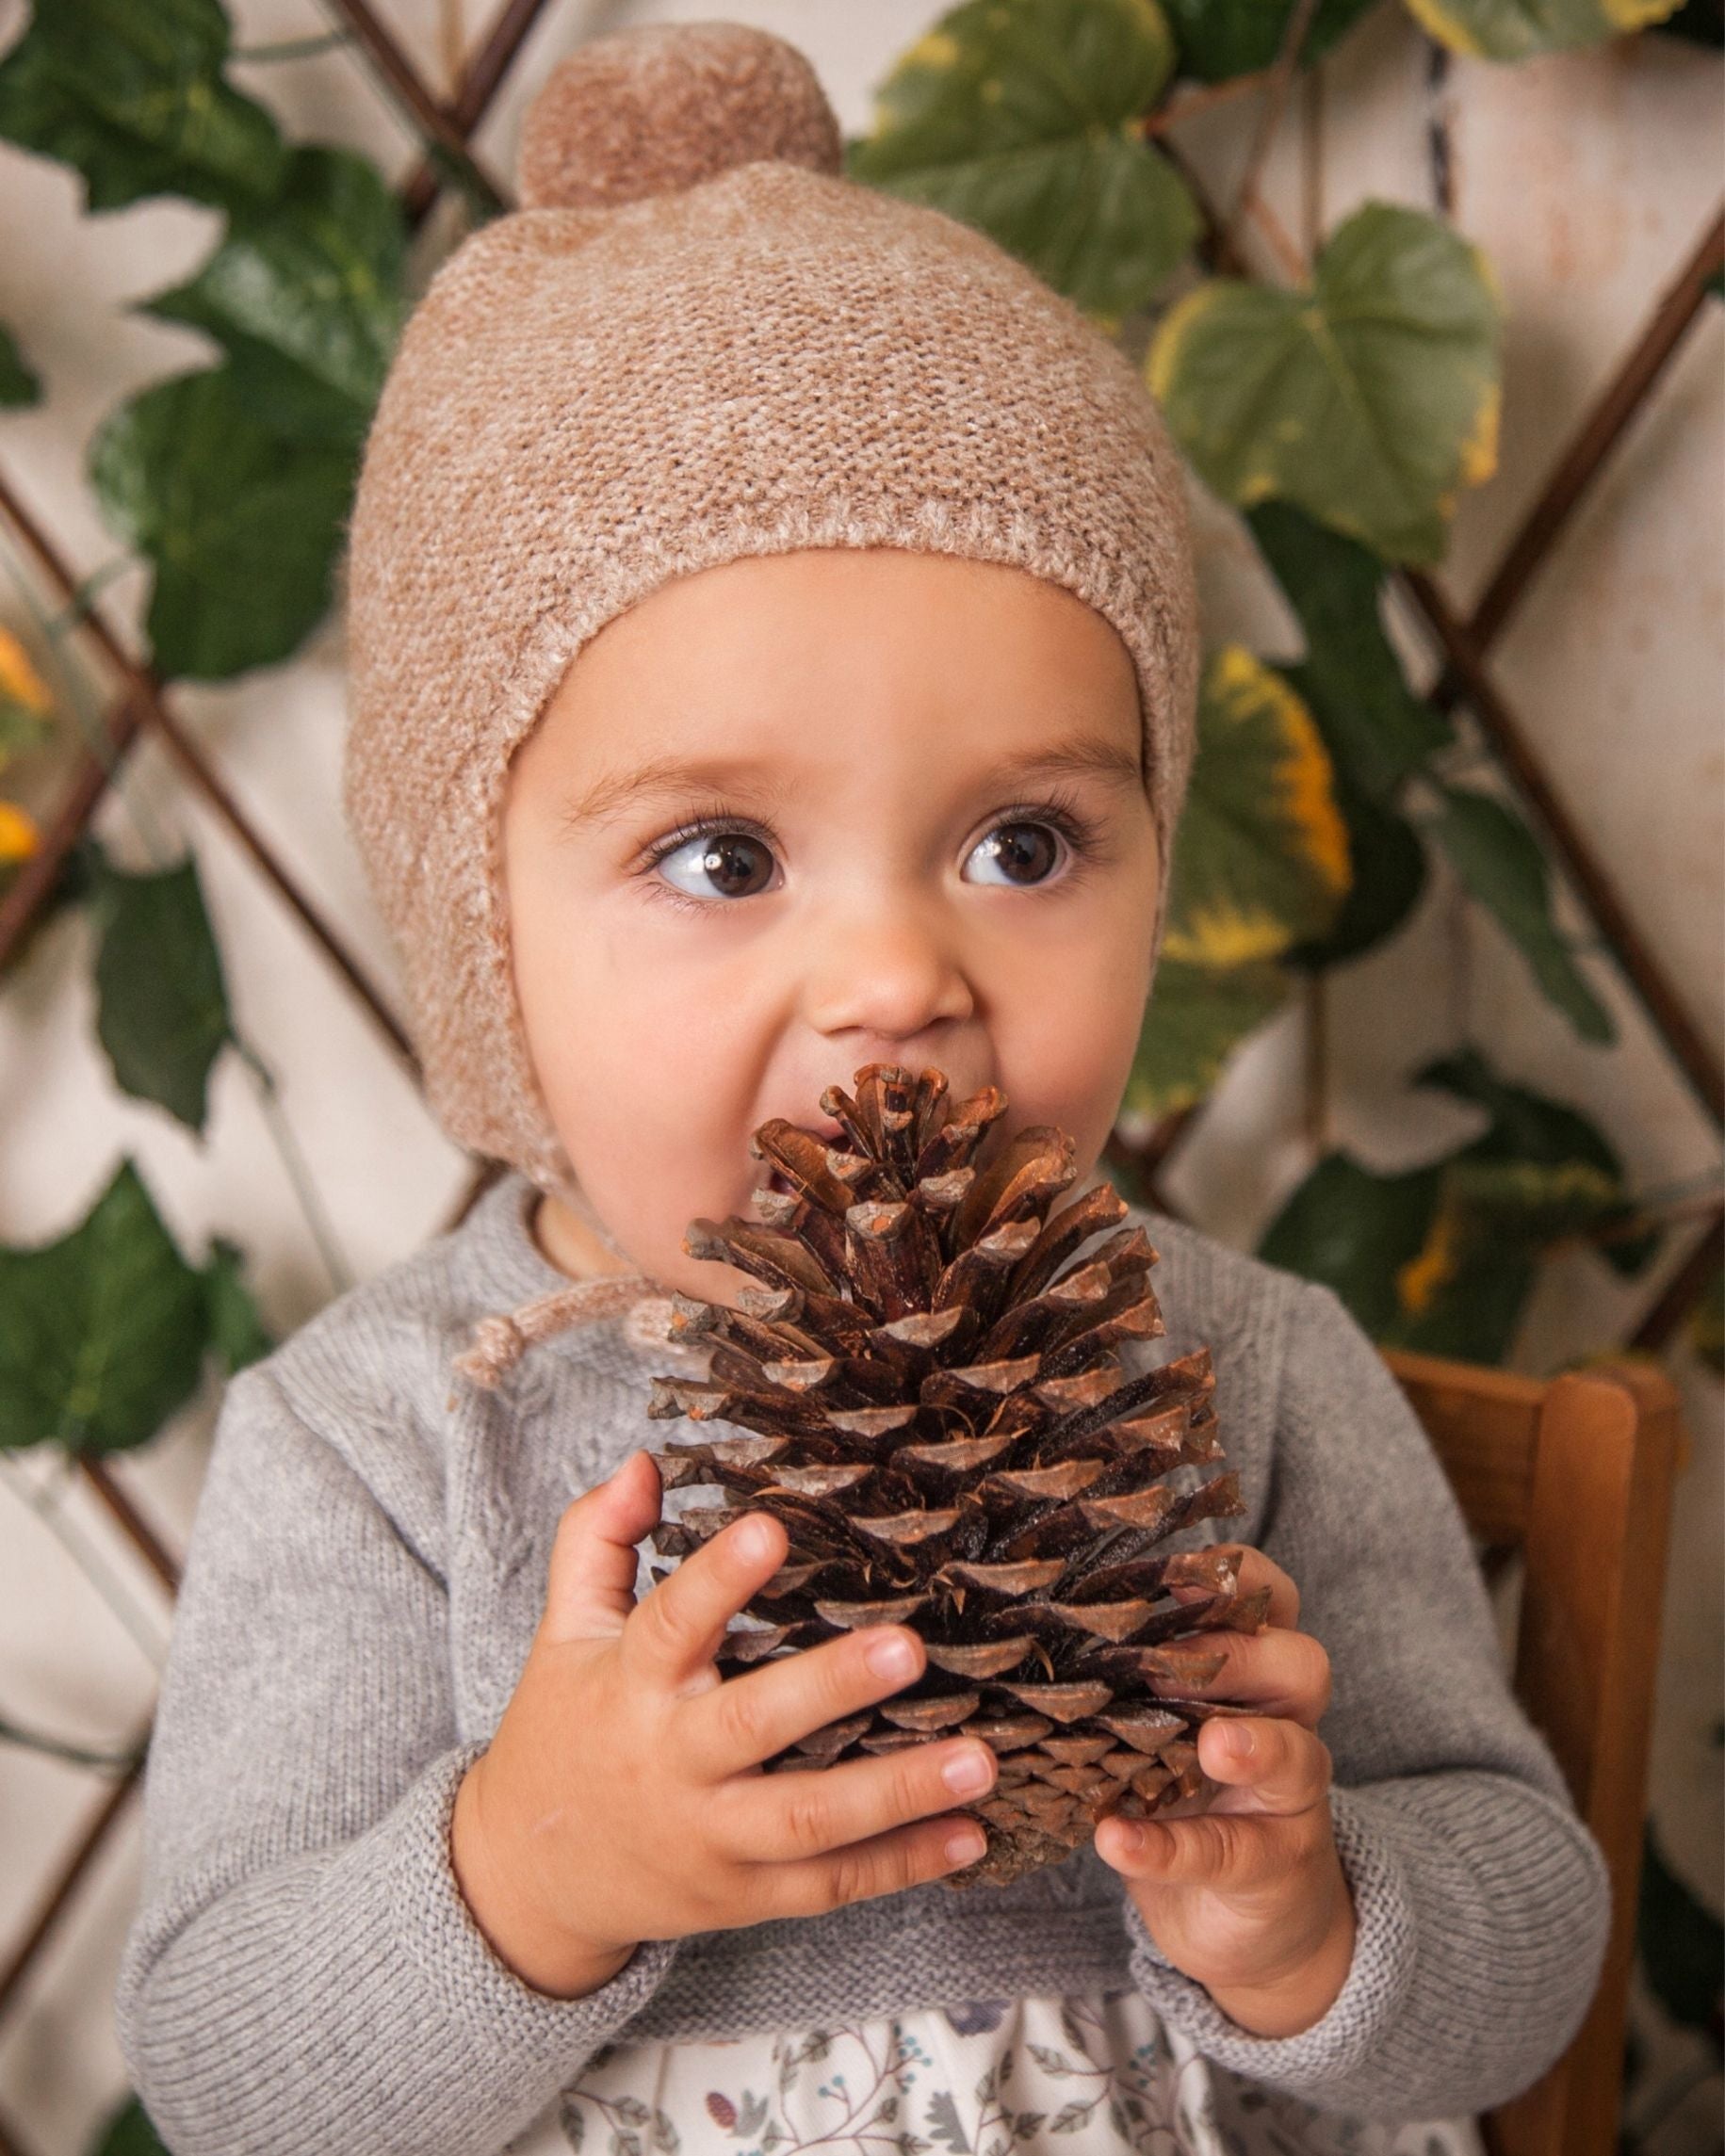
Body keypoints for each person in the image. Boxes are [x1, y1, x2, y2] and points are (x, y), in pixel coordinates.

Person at [114, 24, 1609, 2156]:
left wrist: (1312, 1916)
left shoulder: (1240, 1370)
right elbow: (224, 2077)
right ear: (483, 930)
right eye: (724, 858)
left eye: (1025, 841)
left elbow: (1526, 1961)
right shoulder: (388, 1448)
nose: (902, 977)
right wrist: (528, 1872)